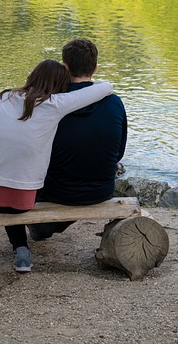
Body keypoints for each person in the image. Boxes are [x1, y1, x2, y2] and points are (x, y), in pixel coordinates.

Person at [0, 59, 114, 273]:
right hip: (22, 198)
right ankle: (21, 252)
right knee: (12, 201)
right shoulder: (55, 104)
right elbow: (106, 87)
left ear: (32, 76)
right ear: (59, 87)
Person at [28, 39, 127, 241]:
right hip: (101, 190)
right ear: (95, 68)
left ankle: (42, 226)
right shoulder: (115, 102)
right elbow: (119, 153)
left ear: (64, 67)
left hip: (58, 191)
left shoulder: (52, 102)